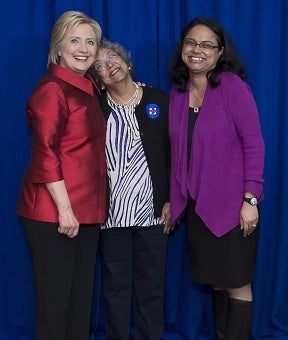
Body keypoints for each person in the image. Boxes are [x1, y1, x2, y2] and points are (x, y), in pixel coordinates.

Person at [168, 17, 265, 340]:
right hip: (199, 207)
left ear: (220, 52)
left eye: (207, 44)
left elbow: (254, 143)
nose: (197, 50)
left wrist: (251, 199)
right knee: (218, 281)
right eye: (191, 43)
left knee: (237, 282)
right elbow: (177, 153)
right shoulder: (179, 93)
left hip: (234, 208)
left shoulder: (231, 87)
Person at [16, 11, 106, 340]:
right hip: (53, 211)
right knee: (56, 304)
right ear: (59, 46)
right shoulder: (52, 89)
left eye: (90, 42)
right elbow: (45, 152)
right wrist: (65, 209)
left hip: (86, 211)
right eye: (75, 40)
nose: (83, 48)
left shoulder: (88, 89)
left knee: (80, 302)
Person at [92, 39, 172, 340]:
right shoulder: (95, 106)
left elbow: (172, 154)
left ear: (126, 61)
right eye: (99, 65)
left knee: (151, 285)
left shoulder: (157, 99)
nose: (108, 66)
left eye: (112, 57)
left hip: (152, 212)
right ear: (96, 76)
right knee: (115, 287)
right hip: (110, 214)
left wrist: (170, 200)